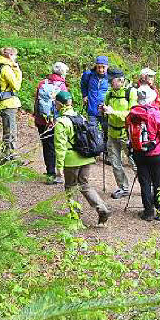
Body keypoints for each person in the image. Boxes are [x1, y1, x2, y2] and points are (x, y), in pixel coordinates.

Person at [53, 90, 110, 225]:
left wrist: (59, 167)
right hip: (86, 157)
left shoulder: (61, 122)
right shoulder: (81, 117)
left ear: (60, 104)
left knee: (71, 187)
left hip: (71, 160)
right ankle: (102, 208)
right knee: (85, 184)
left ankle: (75, 215)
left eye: (56, 103)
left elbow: (60, 147)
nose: (55, 105)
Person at [126, 89, 160, 221]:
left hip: (138, 152)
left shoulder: (131, 114)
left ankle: (148, 212)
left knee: (145, 182)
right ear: (151, 99)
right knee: (158, 182)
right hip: (156, 152)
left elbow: (128, 133)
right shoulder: (156, 114)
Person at [33, 62, 69, 184]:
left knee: (47, 146)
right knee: (58, 146)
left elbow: (36, 102)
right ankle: (59, 174)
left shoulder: (42, 83)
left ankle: (50, 173)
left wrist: (37, 118)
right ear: (63, 73)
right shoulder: (62, 86)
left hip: (42, 121)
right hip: (57, 122)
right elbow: (66, 105)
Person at [101, 71, 135, 198]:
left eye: (112, 80)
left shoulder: (130, 93)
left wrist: (113, 112)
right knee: (115, 163)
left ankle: (147, 186)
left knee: (134, 162)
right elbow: (106, 111)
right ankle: (123, 188)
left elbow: (132, 114)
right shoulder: (109, 94)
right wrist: (103, 110)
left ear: (121, 80)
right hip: (111, 133)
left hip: (126, 134)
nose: (110, 82)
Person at [0, 47, 22, 160]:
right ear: (10, 56)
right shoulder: (6, 69)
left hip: (4, 103)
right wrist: (17, 70)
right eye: (15, 56)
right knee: (10, 131)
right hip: (8, 104)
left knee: (9, 130)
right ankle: (8, 156)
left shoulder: (0, 65)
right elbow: (16, 86)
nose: (16, 58)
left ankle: (8, 155)